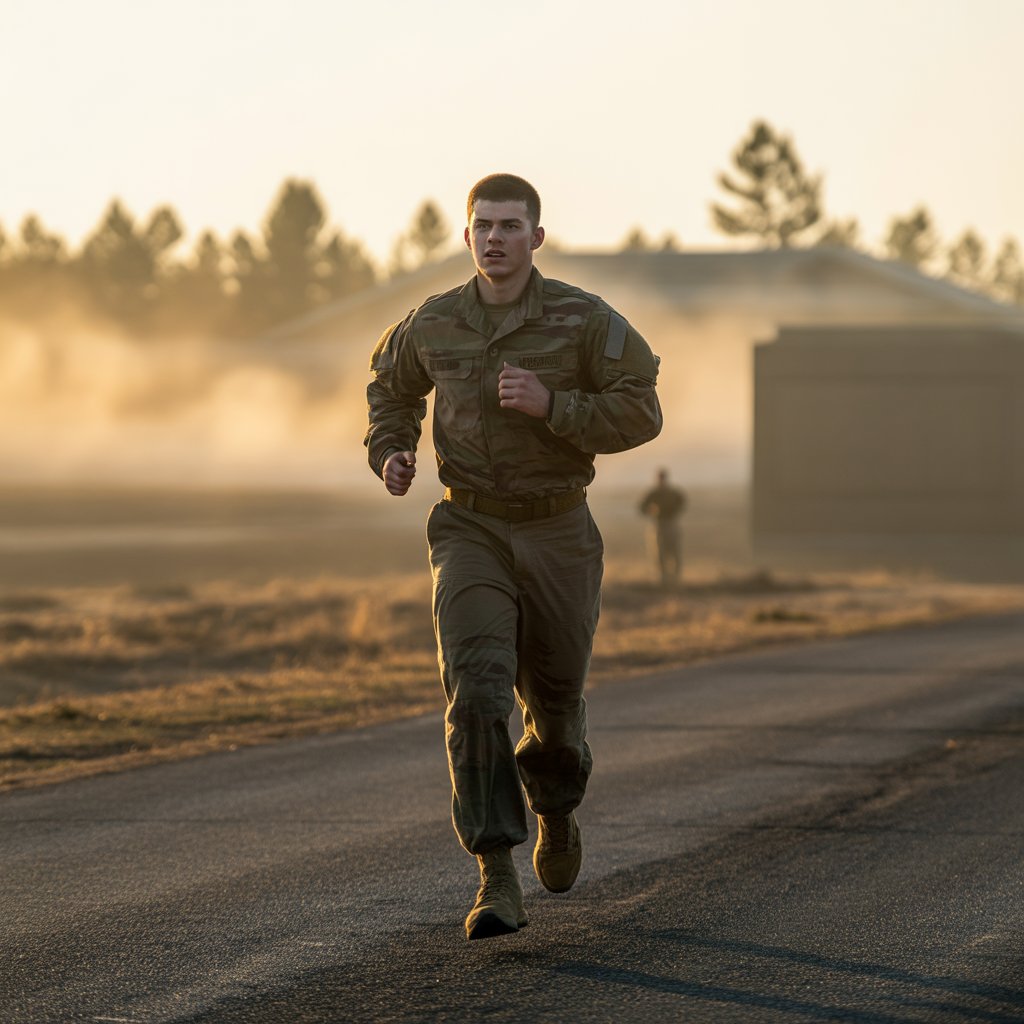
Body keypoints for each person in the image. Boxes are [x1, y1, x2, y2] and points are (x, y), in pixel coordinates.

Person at [364, 173, 662, 940]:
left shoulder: (583, 320)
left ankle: (556, 807)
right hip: (469, 529)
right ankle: (496, 870)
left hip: (559, 529)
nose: (495, 238)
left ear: (536, 237)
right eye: (483, 226)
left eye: (510, 225)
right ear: (466, 239)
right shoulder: (433, 323)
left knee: (555, 709)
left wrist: (555, 406)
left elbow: (643, 407)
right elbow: (389, 388)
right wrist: (392, 451)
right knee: (477, 692)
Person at [639, 469, 687, 585]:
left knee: (674, 550)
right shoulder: (654, 493)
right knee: (660, 551)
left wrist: (674, 512)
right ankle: (662, 578)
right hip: (660, 524)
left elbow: (682, 502)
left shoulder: (672, 492)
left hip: (670, 523)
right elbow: (642, 507)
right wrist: (652, 513)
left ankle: (675, 577)